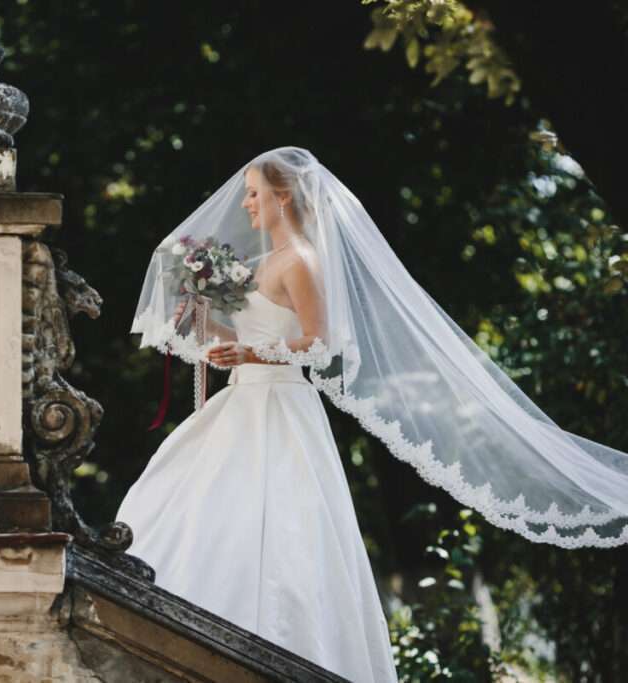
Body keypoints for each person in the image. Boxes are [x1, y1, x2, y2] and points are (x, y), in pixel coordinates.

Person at [118, 147, 628, 682]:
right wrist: (203, 326)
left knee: (284, 528)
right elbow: (245, 338)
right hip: (240, 403)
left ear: (282, 196)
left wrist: (247, 353)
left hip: (281, 405)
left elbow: (319, 343)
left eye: (254, 192)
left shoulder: (302, 261)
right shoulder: (260, 265)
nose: (245, 203)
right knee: (202, 511)